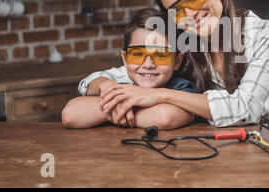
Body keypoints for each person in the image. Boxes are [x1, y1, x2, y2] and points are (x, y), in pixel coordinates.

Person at [78, 0, 269, 128]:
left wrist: (157, 95)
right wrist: (108, 88)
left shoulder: (268, 35)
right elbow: (98, 79)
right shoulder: (183, 44)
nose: (191, 14)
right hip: (213, 154)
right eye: (177, 10)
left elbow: (247, 107)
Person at [62, 8, 196, 129]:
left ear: (177, 61)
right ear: (125, 59)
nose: (148, 65)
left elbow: (165, 117)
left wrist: (118, 106)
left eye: (161, 55)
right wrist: (108, 88)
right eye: (137, 54)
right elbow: (70, 115)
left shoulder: (182, 88)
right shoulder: (122, 82)